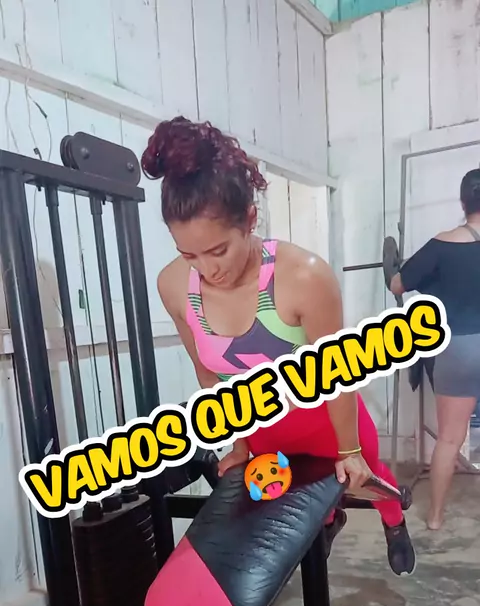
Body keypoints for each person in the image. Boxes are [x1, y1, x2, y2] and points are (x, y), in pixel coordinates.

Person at [141, 116, 416, 576]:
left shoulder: (303, 276)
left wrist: (349, 450)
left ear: (250, 220)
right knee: (296, 501)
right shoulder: (172, 286)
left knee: (369, 481)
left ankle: (394, 522)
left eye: (218, 250)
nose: (207, 269)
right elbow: (209, 375)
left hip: (329, 422)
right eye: (190, 255)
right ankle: (328, 522)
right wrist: (240, 443)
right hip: (264, 430)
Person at [391, 168, 480, 530]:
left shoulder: (443, 244)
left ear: (463, 202)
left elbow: (398, 284)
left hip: (459, 347)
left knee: (449, 438)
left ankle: (435, 518)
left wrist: (413, 275)